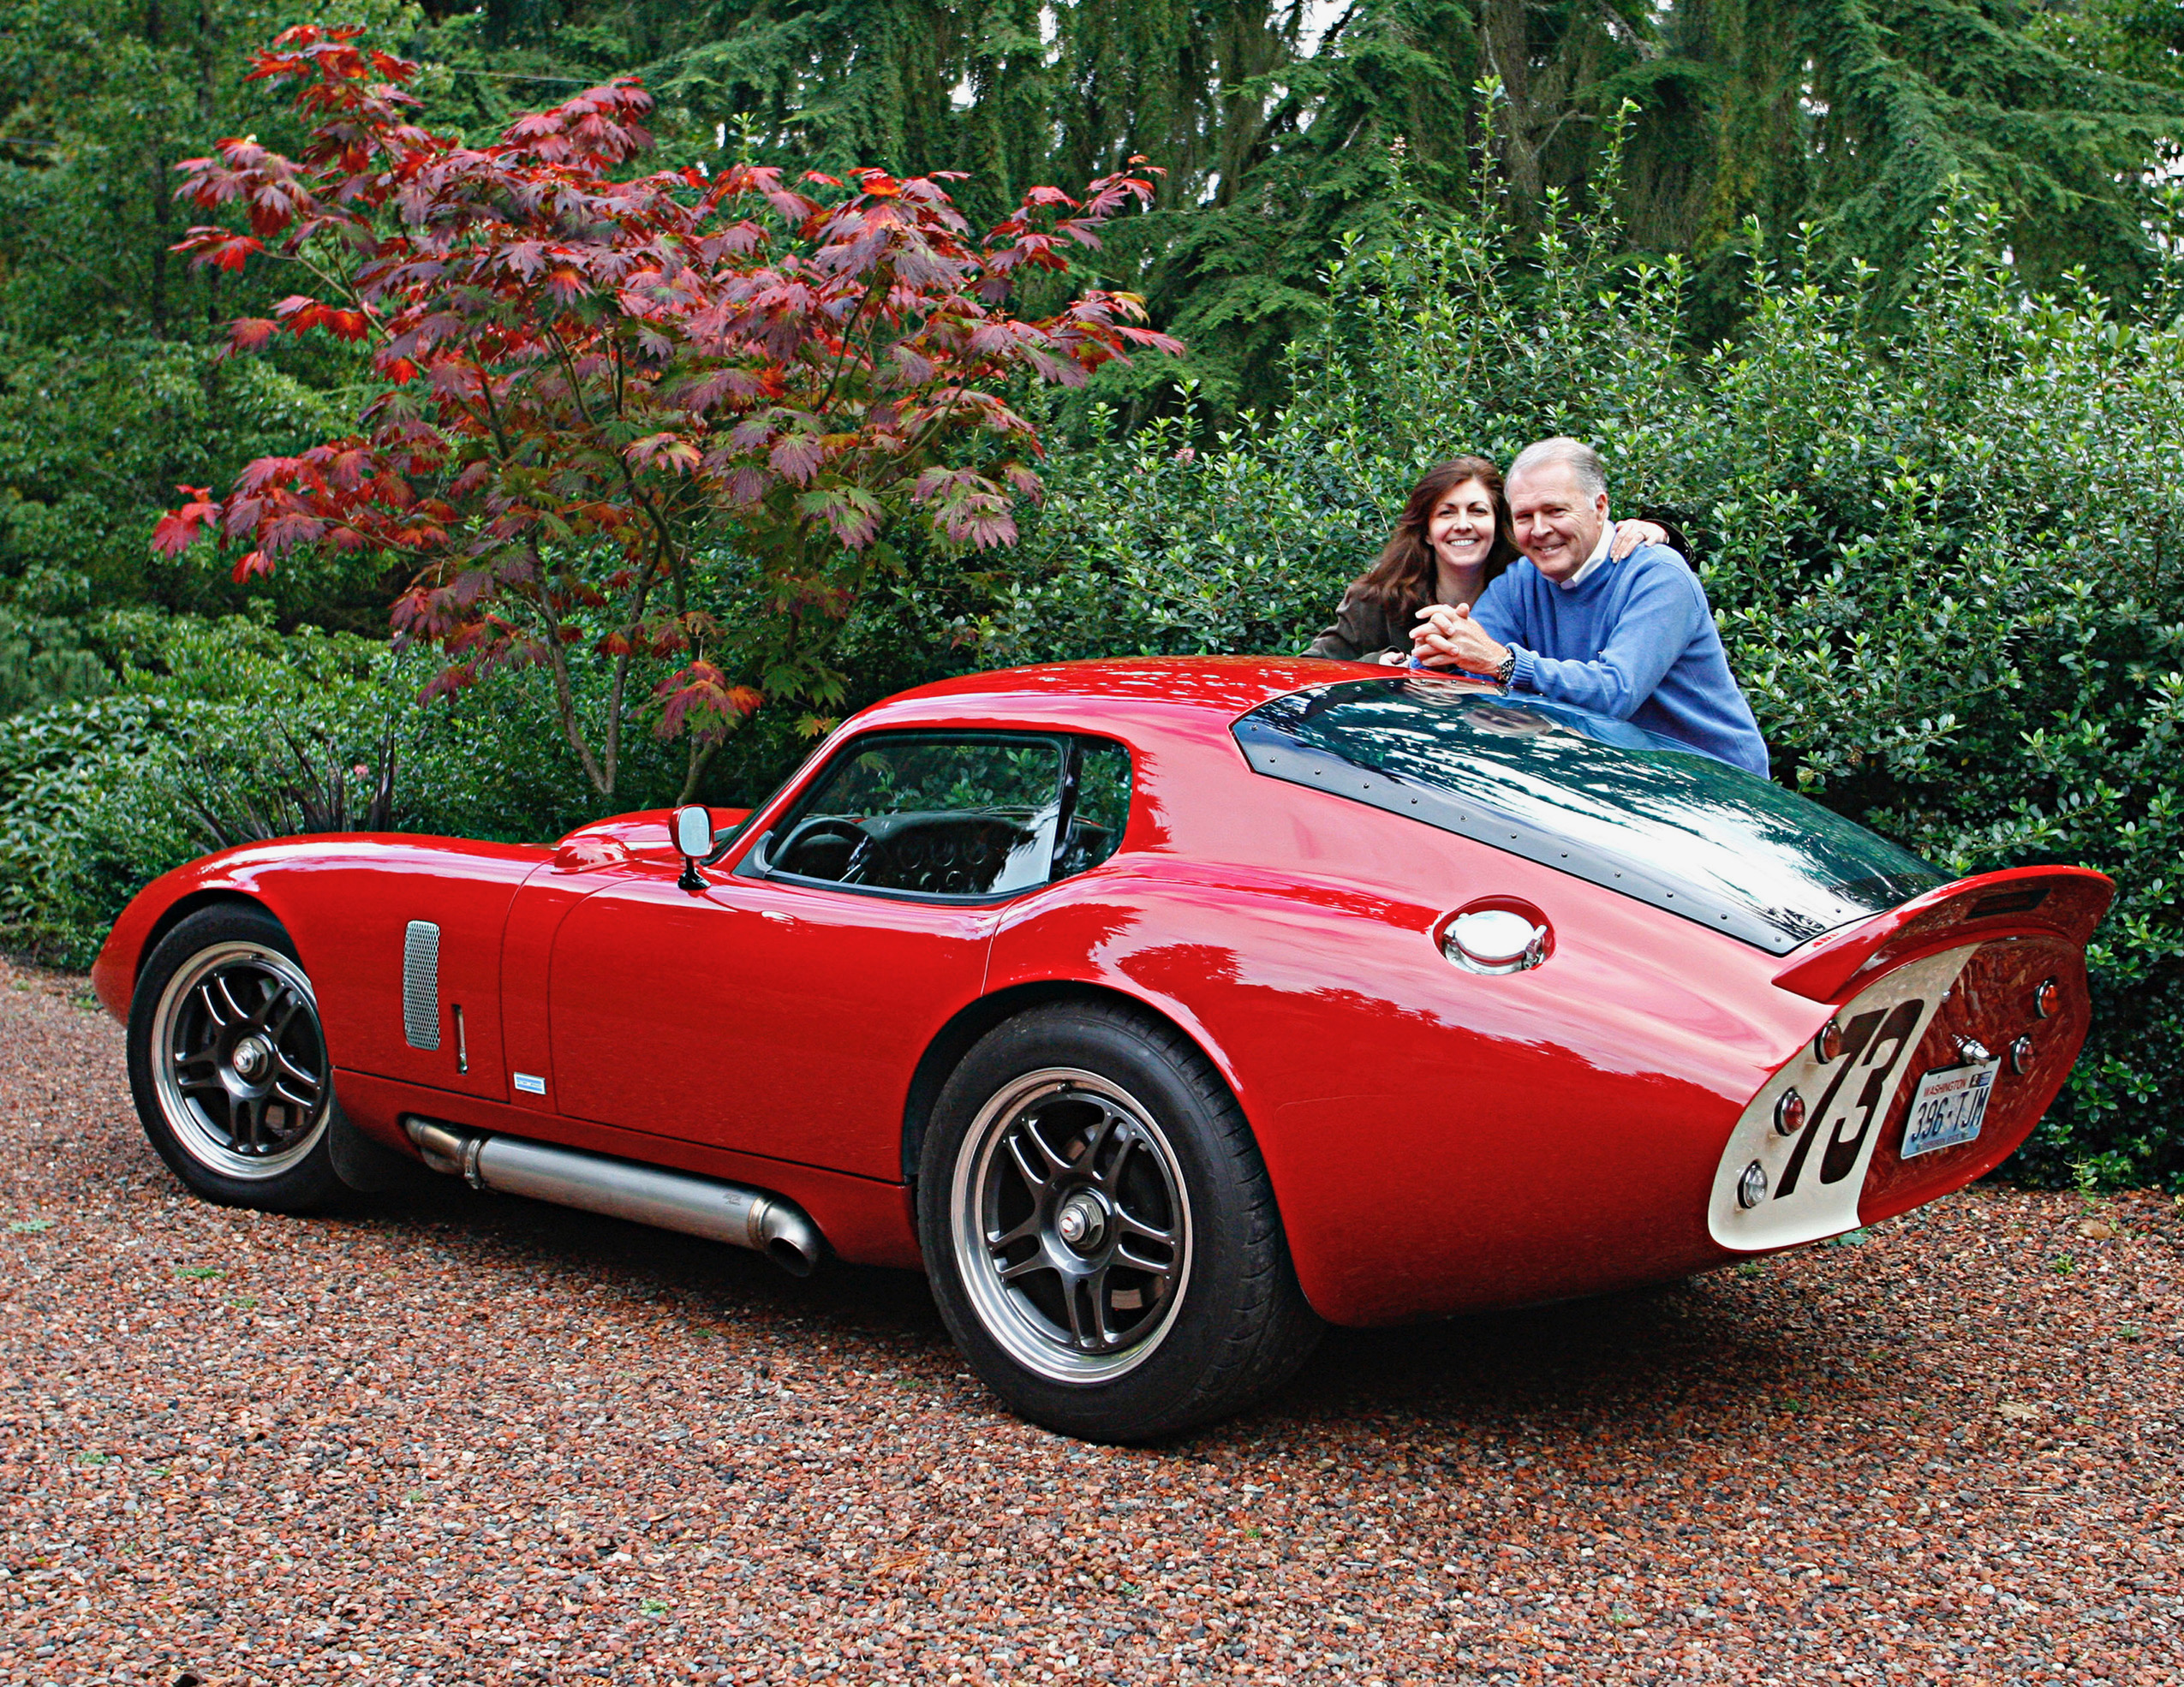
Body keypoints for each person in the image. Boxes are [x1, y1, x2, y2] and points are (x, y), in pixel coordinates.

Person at [1410, 437, 1769, 775]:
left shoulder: (1658, 575)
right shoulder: (1520, 581)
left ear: (1599, 507)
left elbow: (1615, 694)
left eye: (1555, 511)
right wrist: (1438, 652)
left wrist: (1504, 663)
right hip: (1612, 771)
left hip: (1712, 780)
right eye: (1524, 517)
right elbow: (1471, 663)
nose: (1539, 529)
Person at [1306, 456, 1673, 665]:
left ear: (1500, 525)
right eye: (1447, 513)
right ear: (1426, 531)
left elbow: (1589, 553)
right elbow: (1307, 671)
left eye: (1478, 511)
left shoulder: (1530, 584)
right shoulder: (1377, 599)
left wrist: (1660, 533)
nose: (1463, 524)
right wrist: (1380, 666)